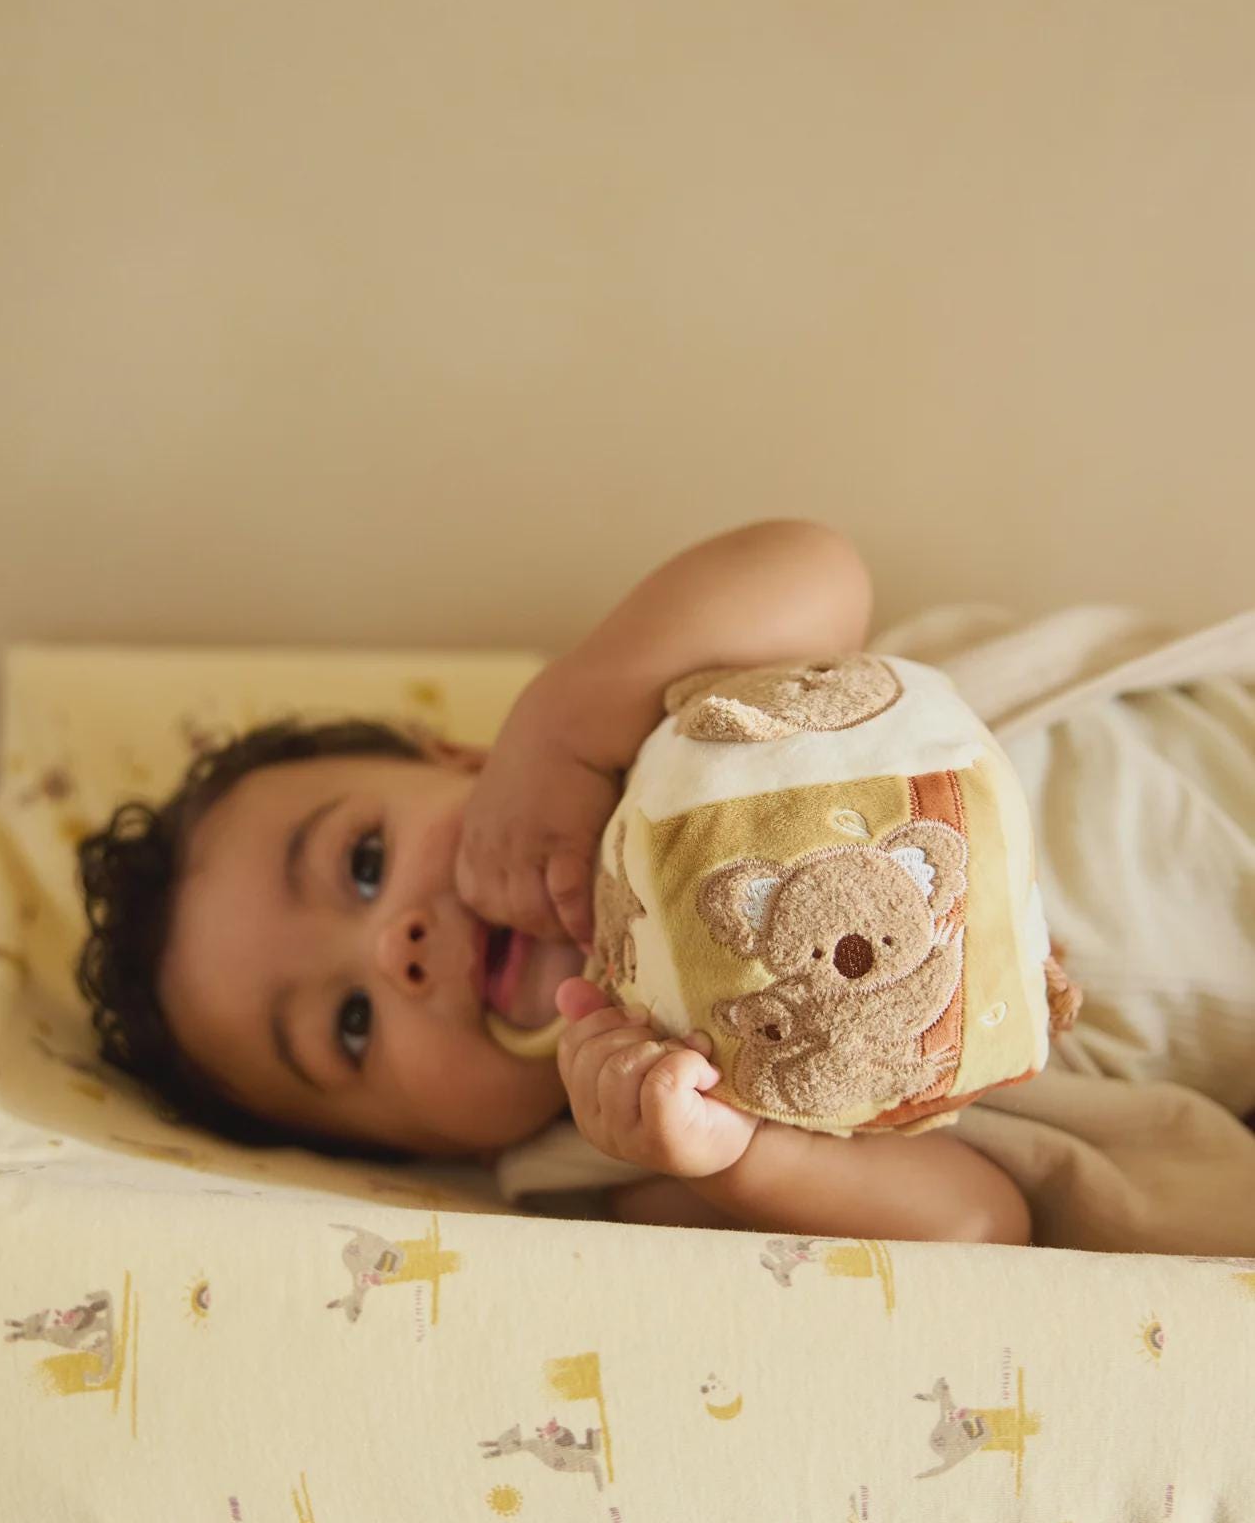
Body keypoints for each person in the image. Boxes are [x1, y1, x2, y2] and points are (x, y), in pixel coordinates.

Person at [76, 520, 1255, 1255]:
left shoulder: (664, 735)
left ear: (466, 761)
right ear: (408, 1146)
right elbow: (978, 1221)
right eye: (348, 1025)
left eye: (364, 862)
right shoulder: (617, 1165)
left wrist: (561, 724)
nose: (397, 947)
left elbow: (817, 569)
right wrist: (739, 1154)